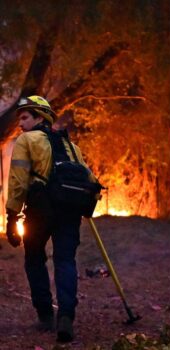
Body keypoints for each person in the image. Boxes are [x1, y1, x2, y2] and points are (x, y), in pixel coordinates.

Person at [5, 96, 96, 342]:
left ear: (40, 117)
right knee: (65, 260)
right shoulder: (71, 145)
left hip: (40, 209)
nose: (21, 123)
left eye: (25, 117)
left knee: (35, 259)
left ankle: (45, 315)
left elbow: (18, 181)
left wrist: (12, 216)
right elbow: (90, 179)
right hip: (70, 210)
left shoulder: (26, 140)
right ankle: (66, 316)